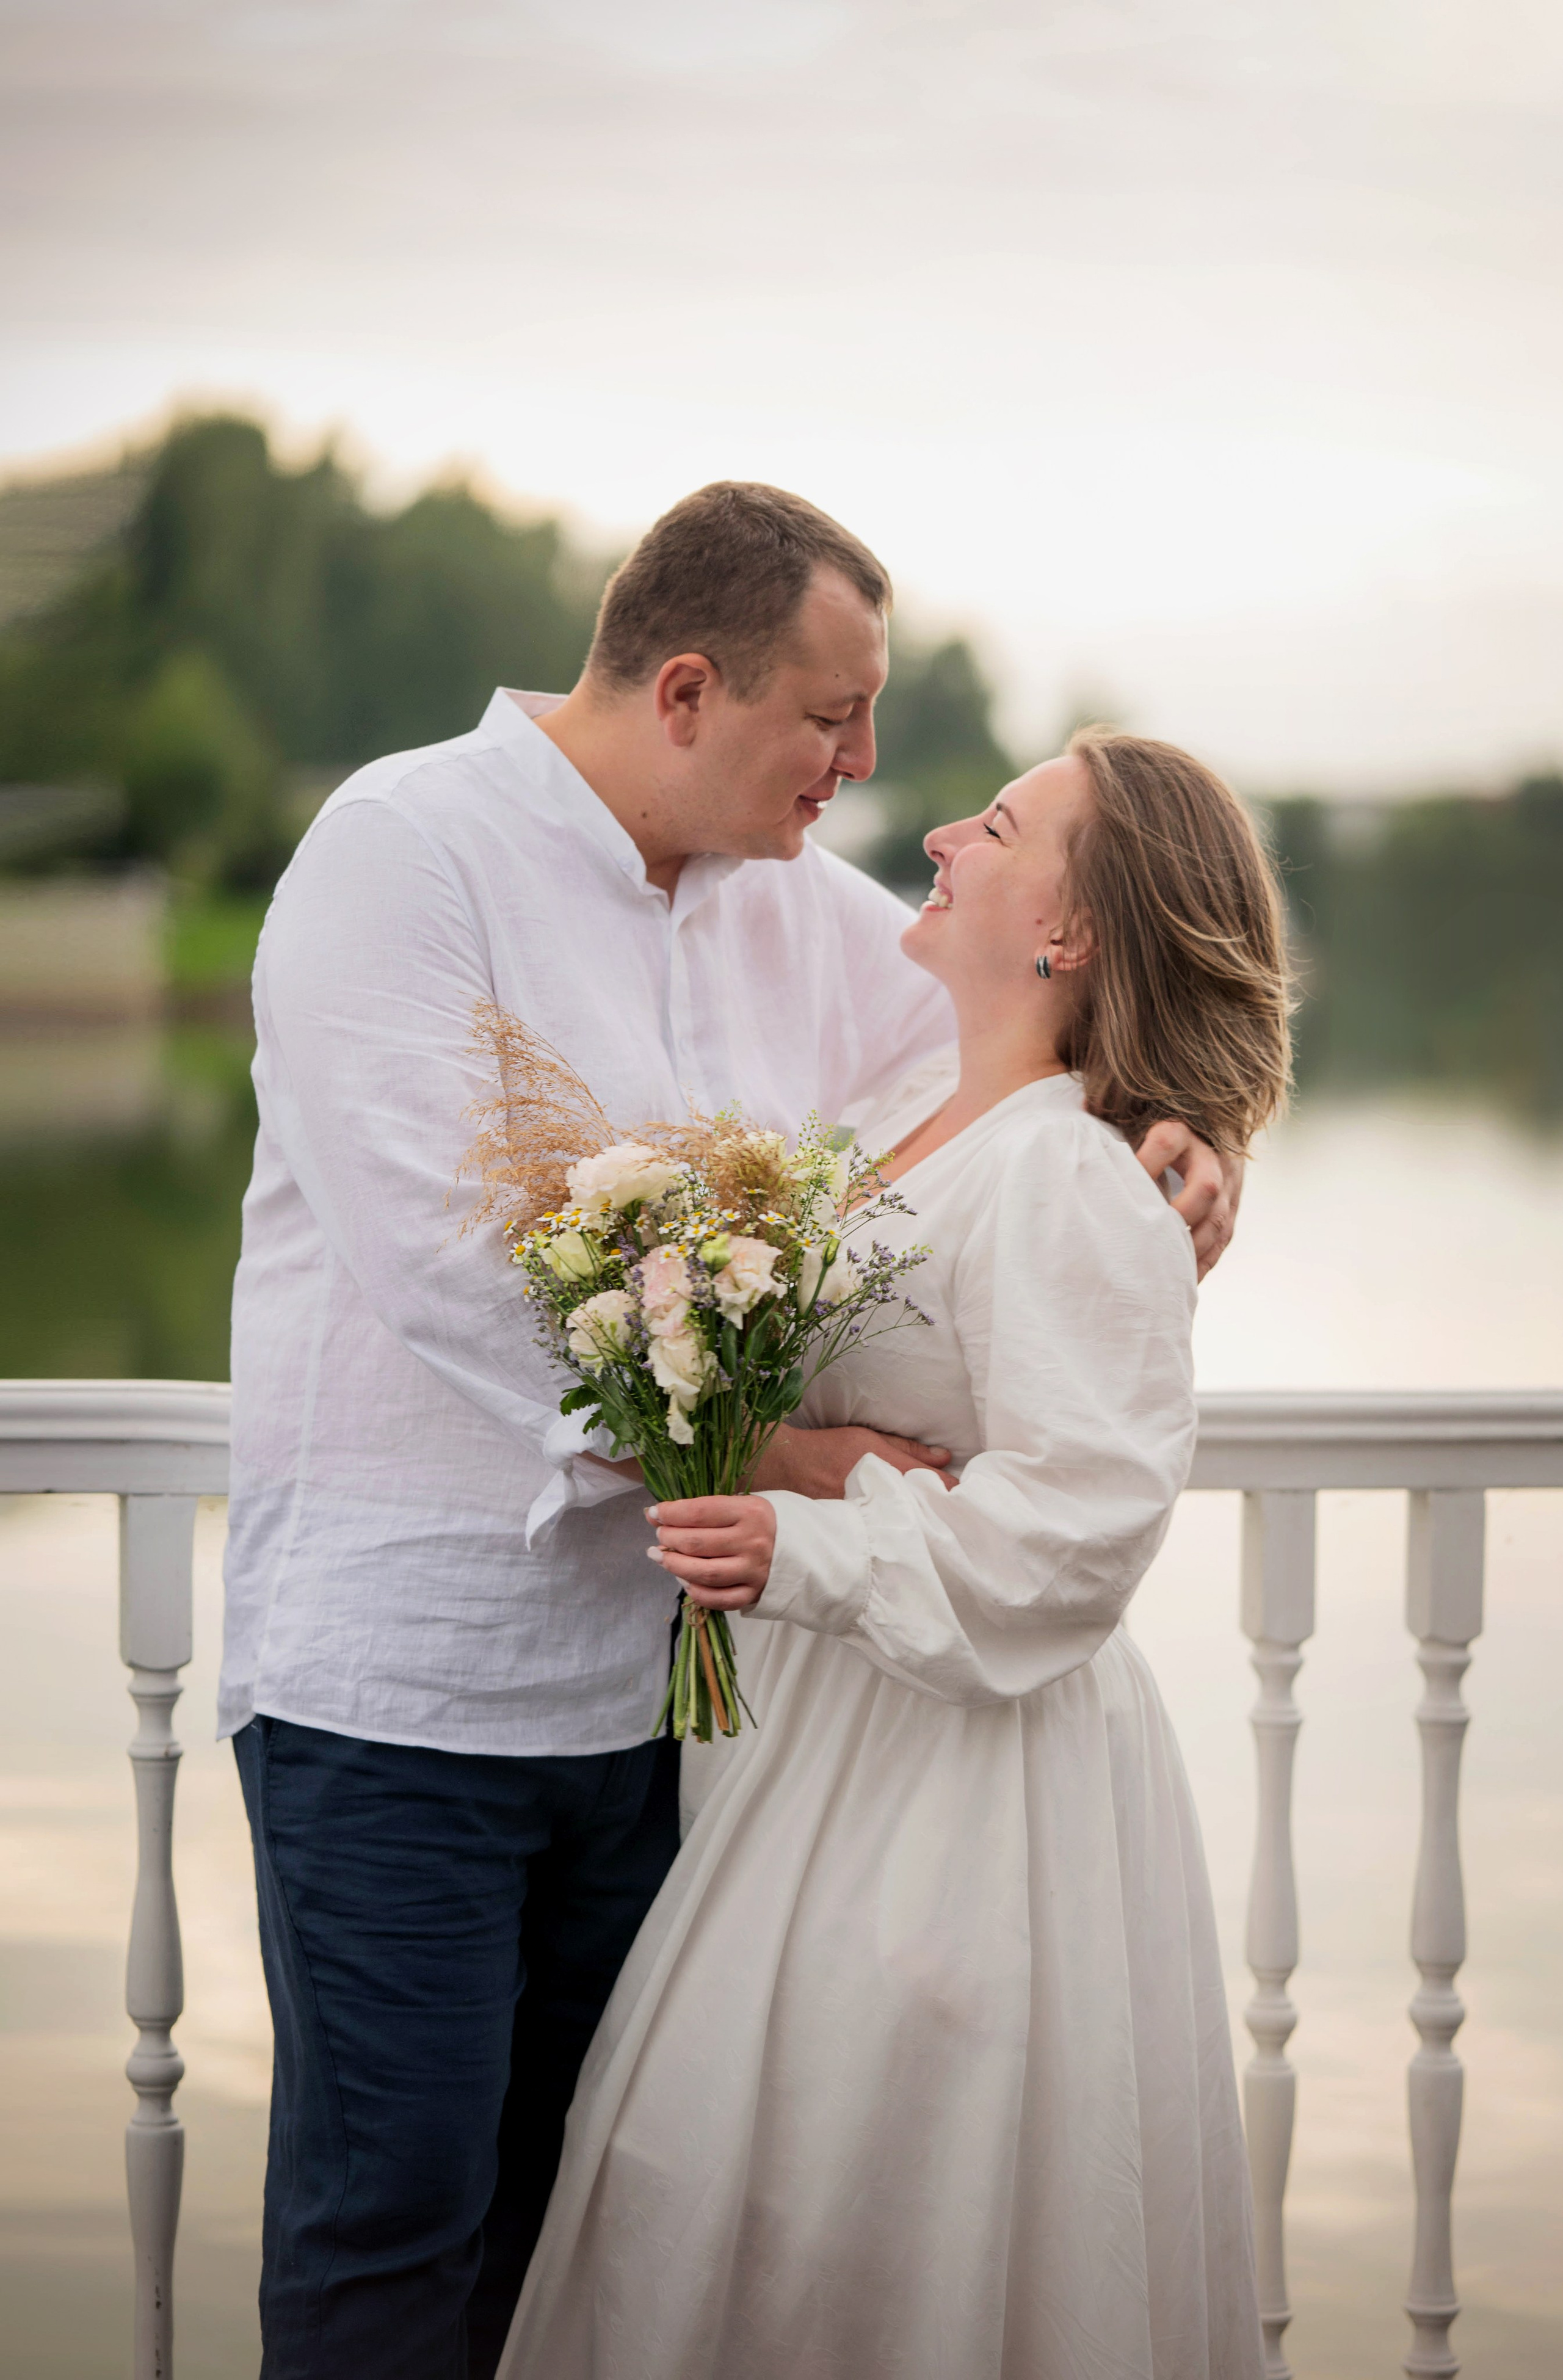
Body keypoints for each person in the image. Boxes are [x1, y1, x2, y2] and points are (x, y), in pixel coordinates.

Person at [220, 481, 1239, 2378]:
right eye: (828, 723)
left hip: (669, 1731)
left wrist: (1185, 1139)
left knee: (575, 2259)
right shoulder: (400, 856)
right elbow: (467, 1267)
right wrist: (794, 1468)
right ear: (687, 691)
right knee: (391, 2243)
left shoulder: (796, 904)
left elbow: (1044, 1028)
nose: (863, 770)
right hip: (405, 1701)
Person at [499, 728, 1289, 2379]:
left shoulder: (1079, 1172)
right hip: (805, 1752)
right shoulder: (898, 1117)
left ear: (1068, 934)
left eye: (997, 825)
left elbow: (1076, 1532)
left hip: (957, 1799)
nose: (937, 831)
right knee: (720, 2187)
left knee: (879, 2222)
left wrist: (801, 1541)